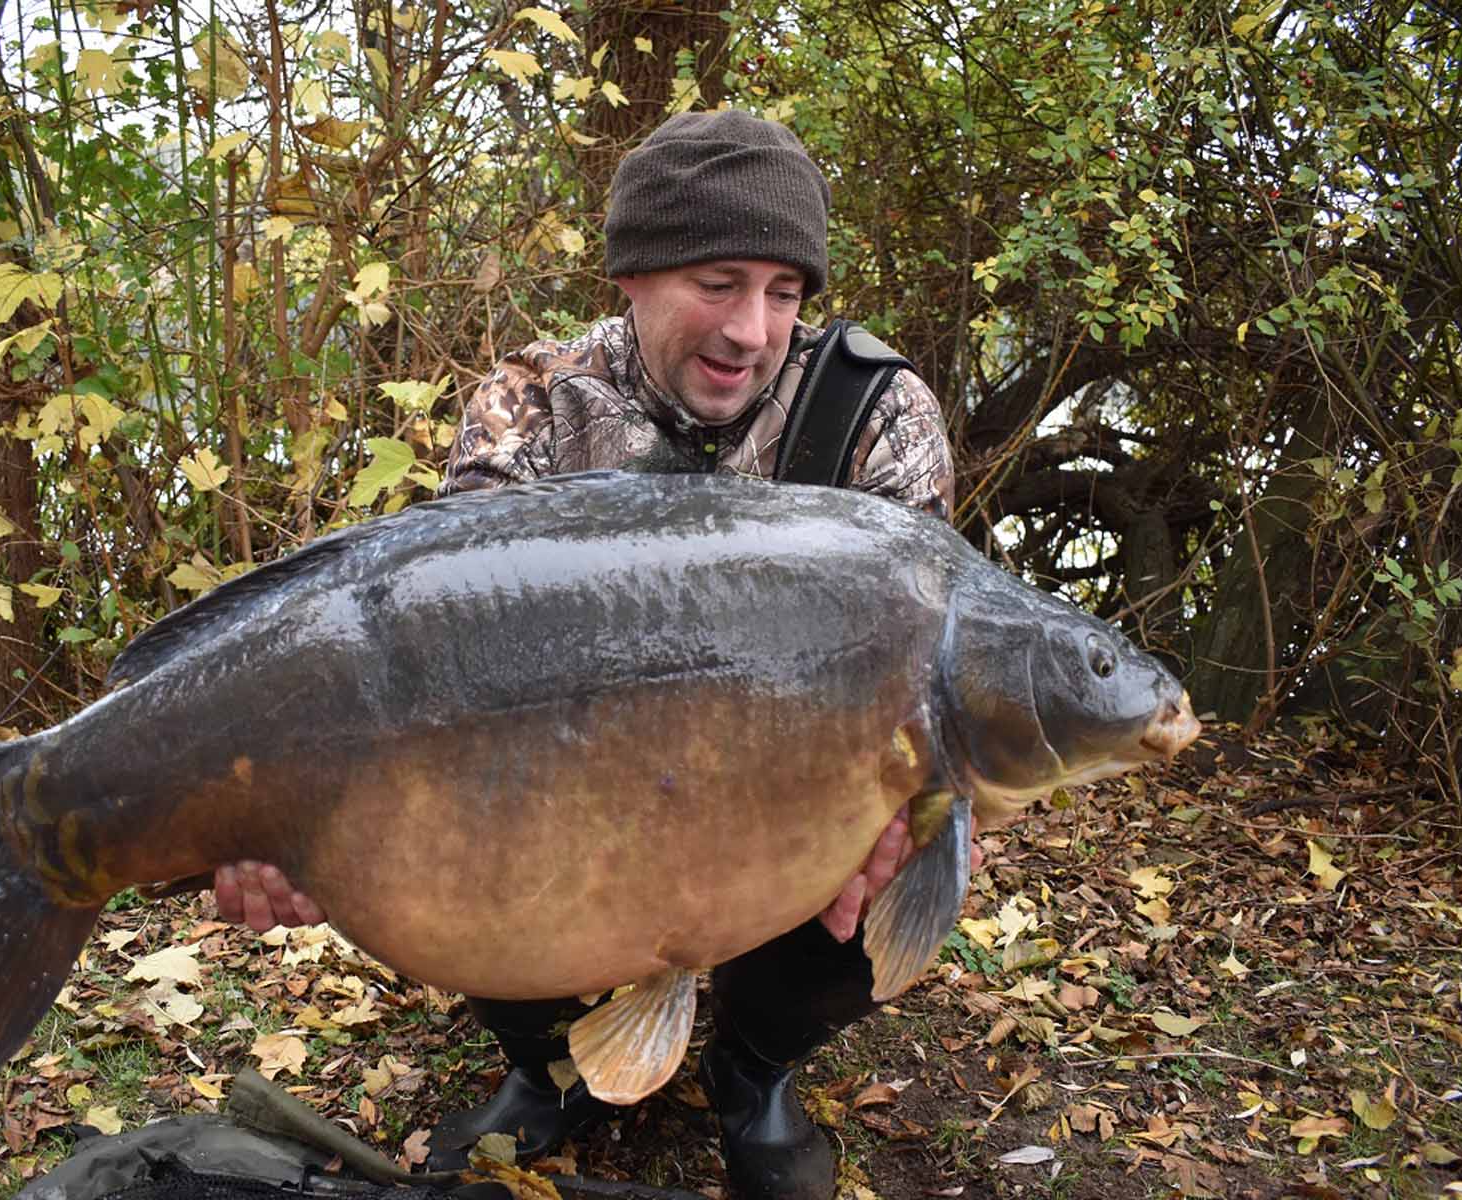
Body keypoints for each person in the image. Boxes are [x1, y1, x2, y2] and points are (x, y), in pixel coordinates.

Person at [214, 109, 966, 1200]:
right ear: (633, 274)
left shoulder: (874, 414)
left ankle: (752, 1072)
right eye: (718, 282)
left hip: (785, 794)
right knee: (454, 838)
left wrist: (910, 806)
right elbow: (438, 671)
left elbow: (929, 662)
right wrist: (302, 814)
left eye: (784, 292)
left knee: (904, 839)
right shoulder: (537, 405)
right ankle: (554, 1063)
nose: (752, 329)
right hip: (576, 790)